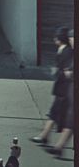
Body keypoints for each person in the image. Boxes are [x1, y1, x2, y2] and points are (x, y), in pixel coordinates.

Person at [31, 26, 73, 155]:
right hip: (65, 89)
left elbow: (68, 72)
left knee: (65, 118)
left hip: (65, 90)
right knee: (57, 114)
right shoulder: (66, 50)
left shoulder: (68, 52)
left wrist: (61, 72)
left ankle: (52, 142)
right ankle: (49, 140)